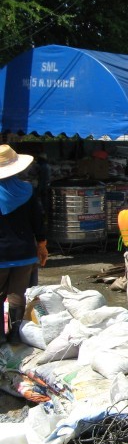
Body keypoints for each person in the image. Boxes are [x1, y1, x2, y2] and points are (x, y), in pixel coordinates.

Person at [0, 145, 48, 343]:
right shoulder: (27, 190)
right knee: (17, 294)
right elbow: (38, 221)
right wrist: (42, 245)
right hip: (24, 253)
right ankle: (14, 335)